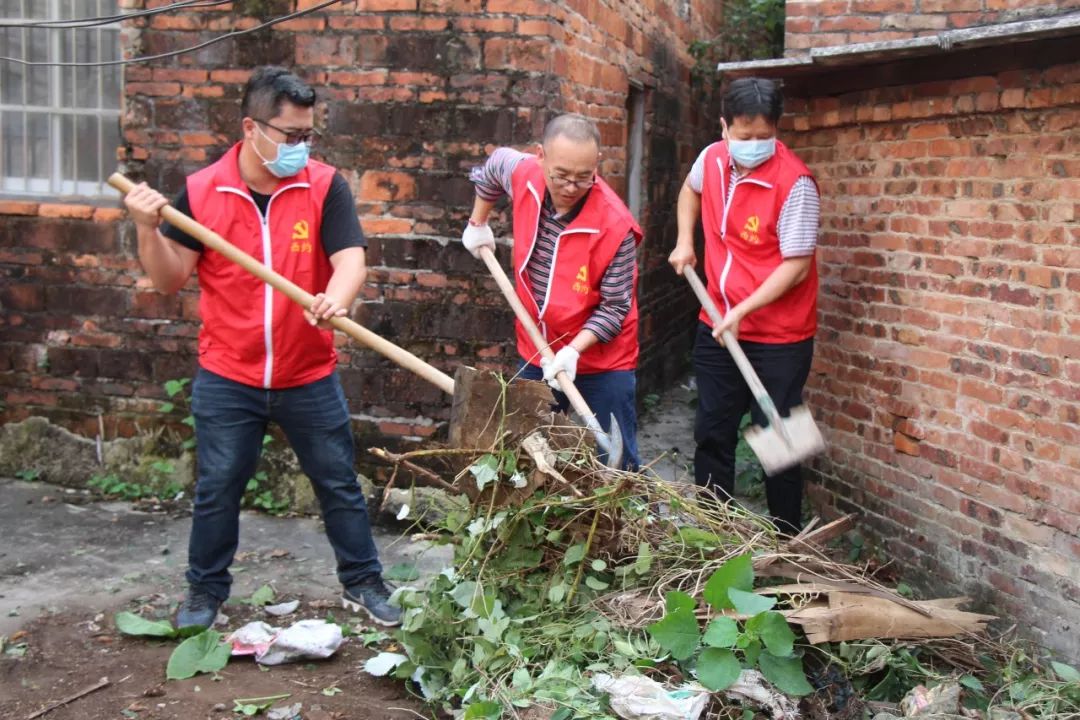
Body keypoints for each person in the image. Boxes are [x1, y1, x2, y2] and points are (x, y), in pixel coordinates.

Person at [121, 66, 400, 628]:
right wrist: (147, 230)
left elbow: (351, 258)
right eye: (290, 135)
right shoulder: (202, 192)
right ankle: (204, 594)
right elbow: (170, 280)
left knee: (339, 483)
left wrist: (335, 300)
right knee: (218, 488)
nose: (301, 147)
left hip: (308, 373)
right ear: (252, 127)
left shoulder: (323, 185)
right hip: (229, 374)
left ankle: (364, 582)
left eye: (308, 136)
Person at [668, 77, 820, 534]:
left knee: (780, 440)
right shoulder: (711, 159)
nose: (753, 145)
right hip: (717, 323)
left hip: (780, 336)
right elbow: (690, 190)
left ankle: (787, 538)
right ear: (723, 127)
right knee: (712, 429)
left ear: (776, 129)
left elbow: (795, 265)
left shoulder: (795, 182)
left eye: (763, 137)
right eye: (743, 136)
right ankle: (711, 532)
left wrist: (743, 310)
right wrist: (683, 240)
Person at [461, 114, 643, 469]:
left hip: (601, 360)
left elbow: (616, 306)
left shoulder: (615, 225)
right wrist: (477, 222)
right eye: (561, 175)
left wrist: (573, 352)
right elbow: (495, 164)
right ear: (540, 155)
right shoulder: (525, 174)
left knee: (617, 466)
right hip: (537, 349)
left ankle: (620, 517)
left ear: (596, 166)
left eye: (583, 177)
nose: (571, 187)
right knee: (526, 454)